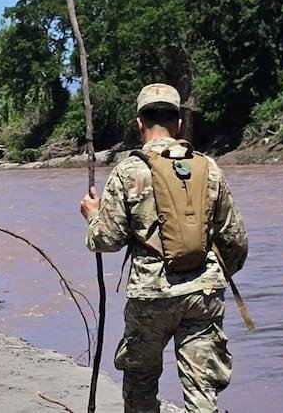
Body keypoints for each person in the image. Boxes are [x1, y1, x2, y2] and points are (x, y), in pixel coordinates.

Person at [80, 83, 248, 413]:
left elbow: (106, 239)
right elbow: (236, 240)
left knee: (141, 381)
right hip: (204, 294)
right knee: (202, 390)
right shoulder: (208, 167)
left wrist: (92, 215)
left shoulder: (130, 170)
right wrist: (209, 275)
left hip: (150, 296)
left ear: (139, 123)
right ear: (179, 123)